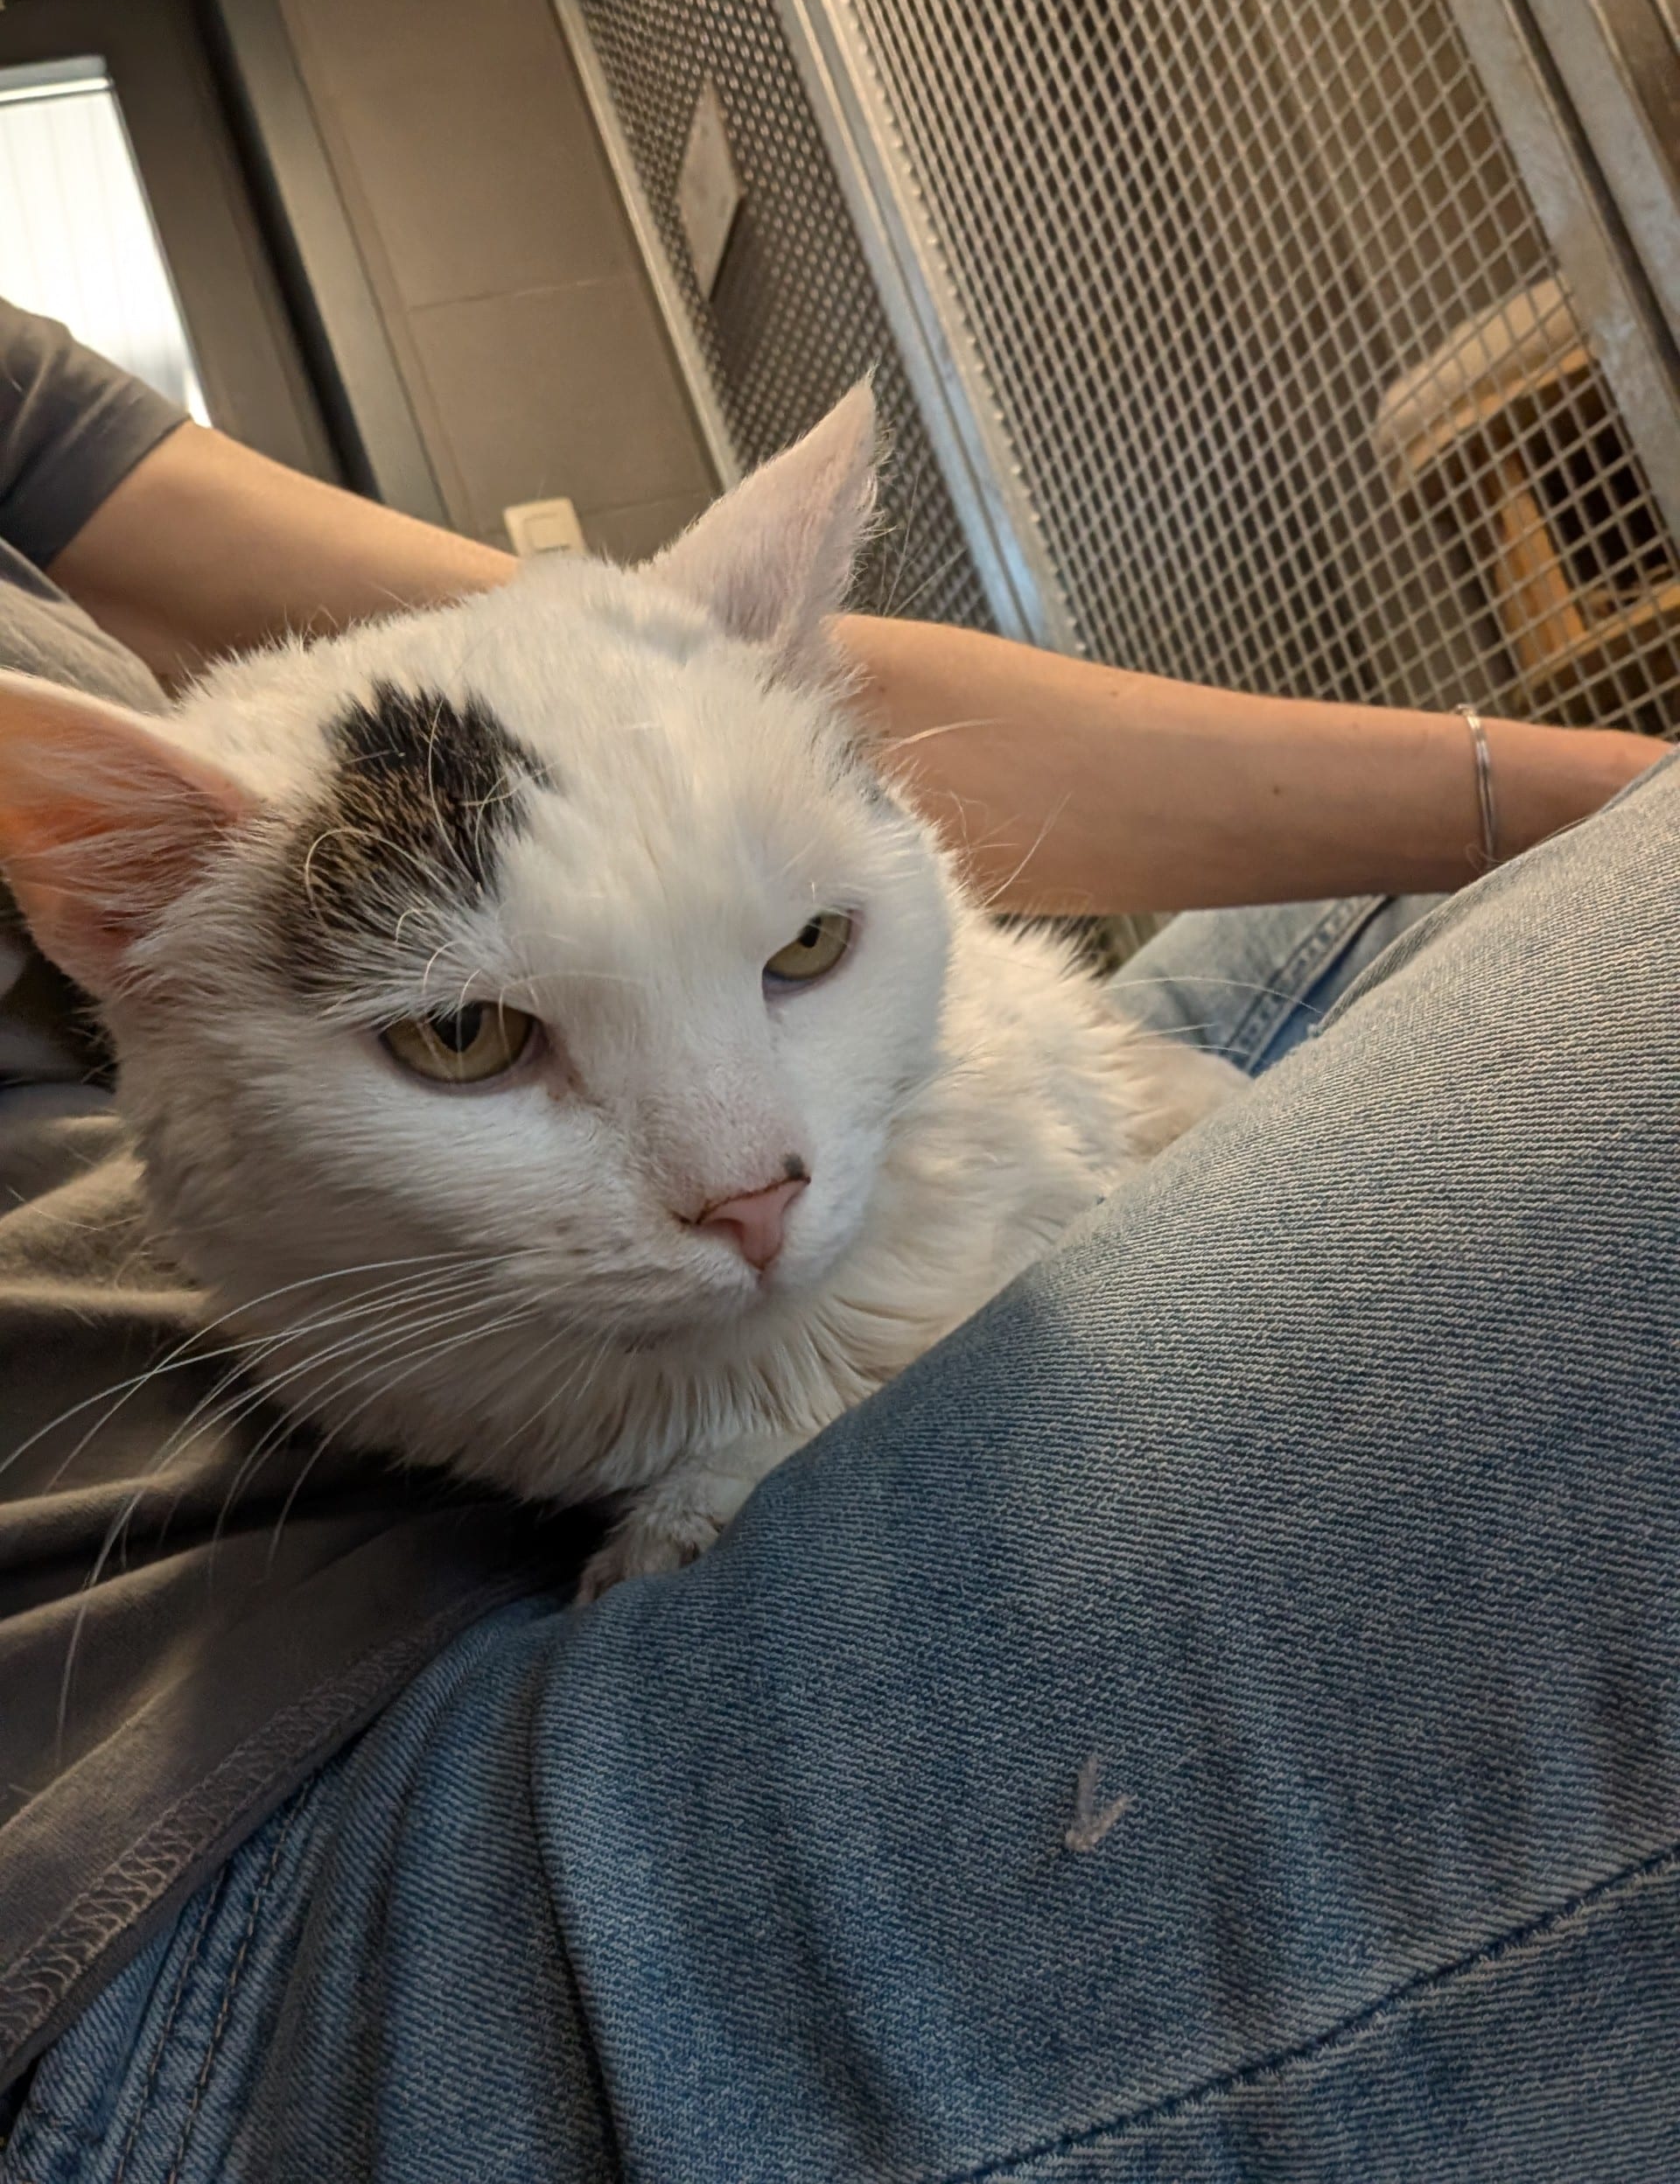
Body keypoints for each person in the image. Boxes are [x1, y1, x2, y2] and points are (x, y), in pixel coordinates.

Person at [0, 298, 1672, 2179]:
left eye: (805, 949)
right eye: (466, 1034)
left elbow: (627, 688)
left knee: (1532, 890)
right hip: (209, 1909)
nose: (747, 1184)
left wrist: (1584, 787)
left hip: (721, 1383)